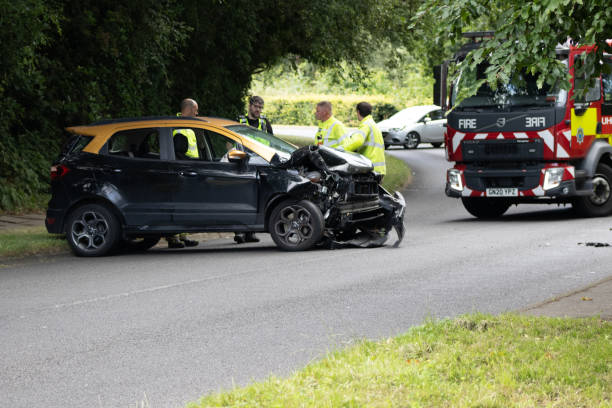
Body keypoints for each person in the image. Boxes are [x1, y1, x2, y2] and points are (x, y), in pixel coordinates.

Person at [233, 95, 272, 244]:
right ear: (250, 106)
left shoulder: (264, 123)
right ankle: (239, 231)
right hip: (241, 163)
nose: (258, 110)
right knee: (241, 197)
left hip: (260, 164)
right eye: (256, 107)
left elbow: (272, 142)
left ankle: (250, 232)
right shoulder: (240, 121)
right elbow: (231, 141)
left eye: (261, 108)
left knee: (255, 198)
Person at [166, 98, 200, 249]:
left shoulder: (186, 125)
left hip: (189, 170)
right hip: (181, 171)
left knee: (186, 206)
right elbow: (178, 153)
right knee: (177, 205)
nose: (197, 113)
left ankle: (183, 236)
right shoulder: (178, 127)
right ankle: (173, 238)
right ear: (190, 109)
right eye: (196, 110)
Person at [342, 102, 386, 177]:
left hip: (370, 169)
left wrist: (342, 150)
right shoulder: (373, 124)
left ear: (358, 112)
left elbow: (357, 141)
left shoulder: (365, 125)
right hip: (379, 169)